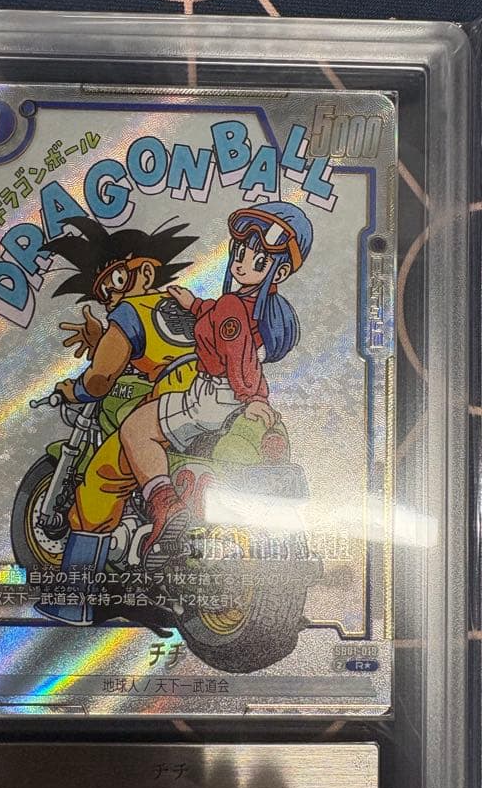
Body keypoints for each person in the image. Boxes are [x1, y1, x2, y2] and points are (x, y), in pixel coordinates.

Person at [119, 201, 313, 557]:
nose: (241, 263)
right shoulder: (256, 305)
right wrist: (194, 305)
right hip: (233, 396)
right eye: (240, 253)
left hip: (213, 398)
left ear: (279, 272)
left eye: (258, 261)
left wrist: (252, 396)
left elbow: (238, 353)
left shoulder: (232, 307)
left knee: (134, 429)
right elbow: (228, 325)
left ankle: (164, 504)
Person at [34, 216, 199, 624]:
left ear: (145, 273)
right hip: (210, 401)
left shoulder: (130, 312)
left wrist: (74, 389)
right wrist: (104, 342)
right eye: (103, 290)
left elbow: (101, 379)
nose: (110, 294)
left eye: (117, 279)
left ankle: (72, 602)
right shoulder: (183, 305)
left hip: (166, 404)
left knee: (99, 483)